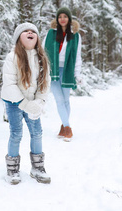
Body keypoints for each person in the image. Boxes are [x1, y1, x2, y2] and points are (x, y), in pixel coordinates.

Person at [1, 23, 51, 185]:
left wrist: (39, 102)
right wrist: (25, 104)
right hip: (14, 102)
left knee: (37, 133)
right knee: (16, 134)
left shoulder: (42, 58)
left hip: (33, 102)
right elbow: (9, 85)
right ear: (18, 39)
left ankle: (37, 168)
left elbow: (45, 83)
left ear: (37, 39)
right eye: (26, 31)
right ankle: (12, 169)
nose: (30, 33)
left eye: (33, 32)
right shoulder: (12, 57)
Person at [44, 7, 82, 142]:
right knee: (59, 100)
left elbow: (77, 56)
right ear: (57, 19)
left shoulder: (76, 35)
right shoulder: (50, 34)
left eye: (65, 16)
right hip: (53, 71)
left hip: (67, 71)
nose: (62, 19)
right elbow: (42, 53)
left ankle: (63, 128)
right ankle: (68, 128)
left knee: (66, 100)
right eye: (60, 17)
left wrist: (77, 74)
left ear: (69, 19)